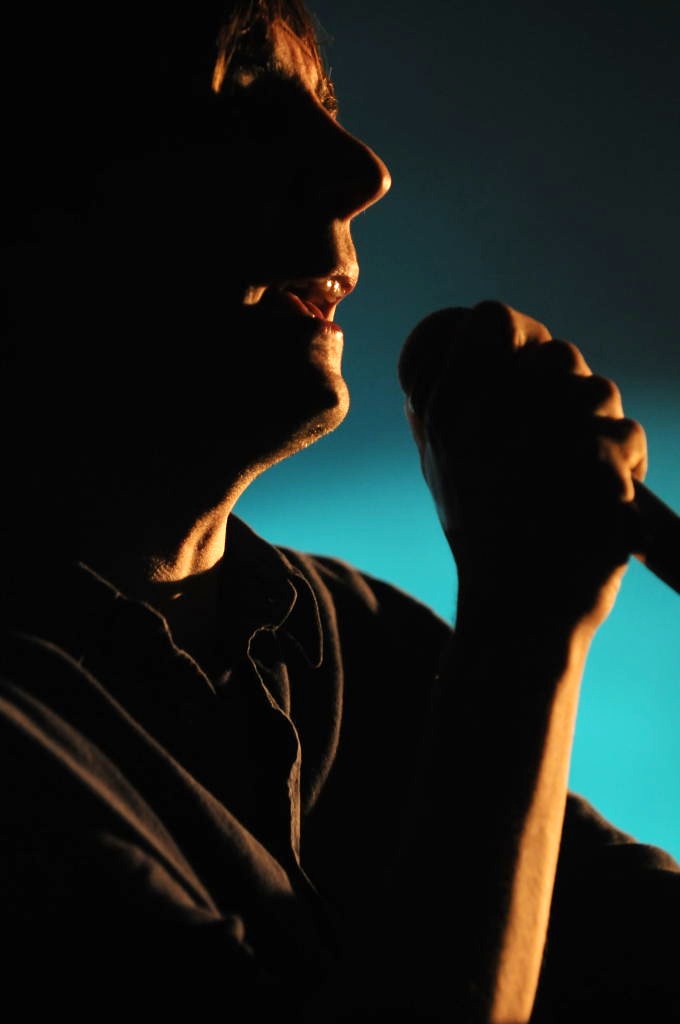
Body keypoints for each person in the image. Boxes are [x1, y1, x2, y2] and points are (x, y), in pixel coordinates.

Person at [1, 2, 678, 1021]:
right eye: (247, 103)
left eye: (323, 107)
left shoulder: (348, 638)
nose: (365, 171)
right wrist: (522, 625)